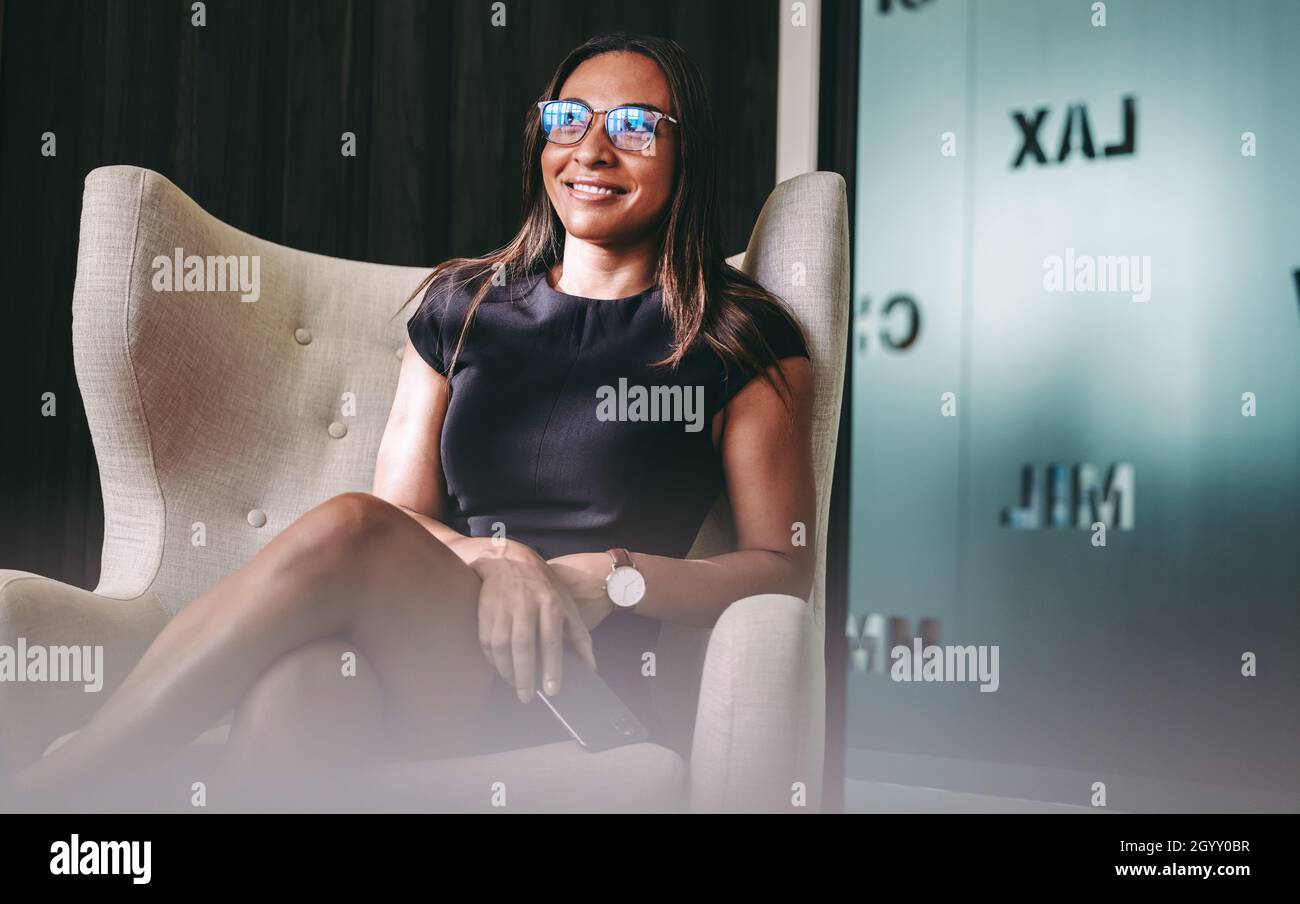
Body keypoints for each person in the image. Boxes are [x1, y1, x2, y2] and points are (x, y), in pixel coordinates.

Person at [9, 32, 815, 809]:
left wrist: (615, 572)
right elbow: (404, 516)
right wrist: (501, 559)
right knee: (304, 688)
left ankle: (71, 784)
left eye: (636, 126)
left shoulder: (735, 337)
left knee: (350, 527)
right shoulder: (462, 307)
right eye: (568, 119)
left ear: (688, 153)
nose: (592, 150)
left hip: (573, 675)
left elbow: (785, 563)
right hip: (428, 650)